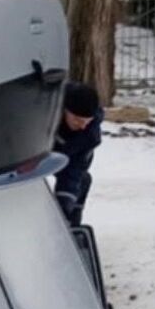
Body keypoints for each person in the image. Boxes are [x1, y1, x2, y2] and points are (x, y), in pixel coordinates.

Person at [53, 82, 104, 227]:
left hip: (67, 156)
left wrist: (65, 206)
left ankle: (72, 224)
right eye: (77, 120)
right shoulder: (46, 113)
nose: (82, 126)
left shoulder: (90, 135)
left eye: (86, 122)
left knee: (79, 182)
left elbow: (74, 170)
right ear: (65, 110)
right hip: (38, 150)